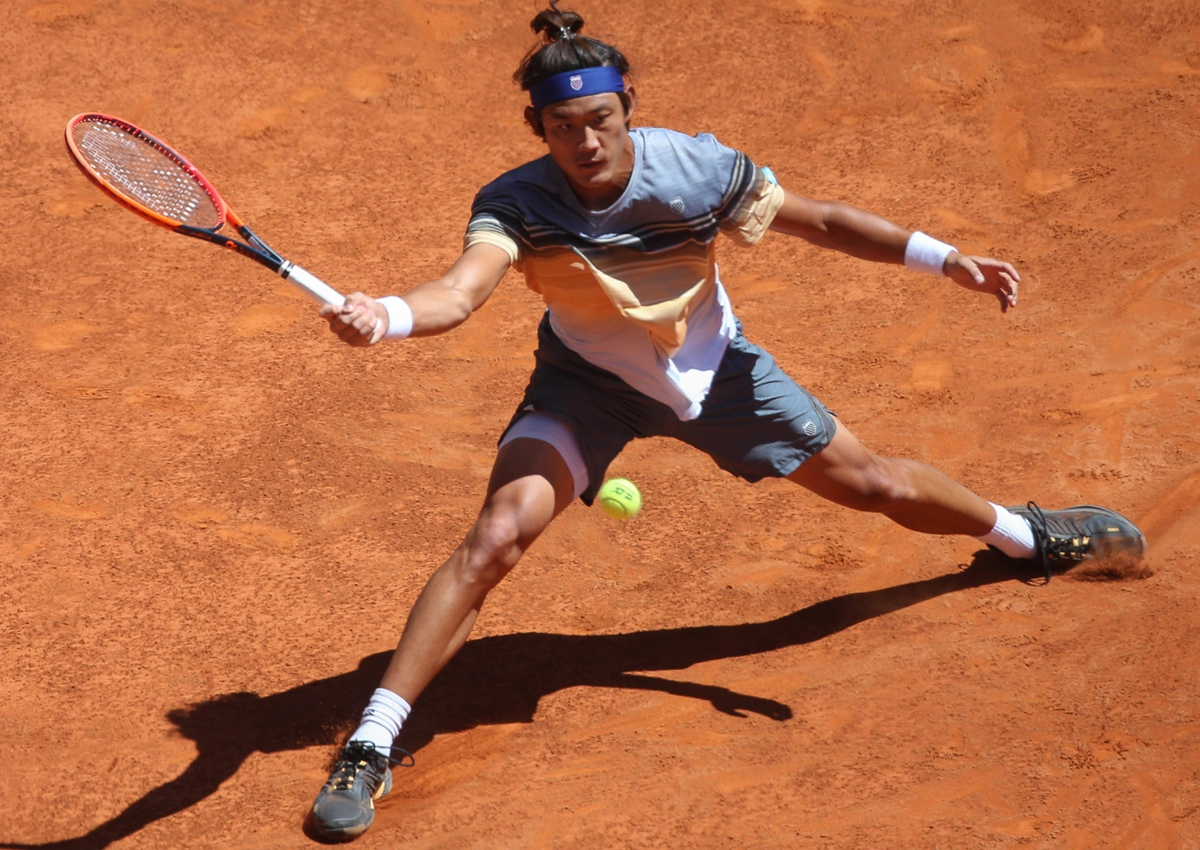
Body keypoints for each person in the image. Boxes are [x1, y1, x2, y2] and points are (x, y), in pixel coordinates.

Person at [307, 5, 1146, 840]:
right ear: (539, 128)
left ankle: (1023, 536)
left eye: (599, 119)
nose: (586, 142)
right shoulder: (517, 203)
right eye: (562, 127)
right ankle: (371, 742)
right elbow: (461, 290)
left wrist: (940, 256)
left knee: (874, 483)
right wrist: (387, 313)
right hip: (585, 386)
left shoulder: (697, 170)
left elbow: (816, 218)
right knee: (496, 535)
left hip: (718, 374)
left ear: (628, 103)